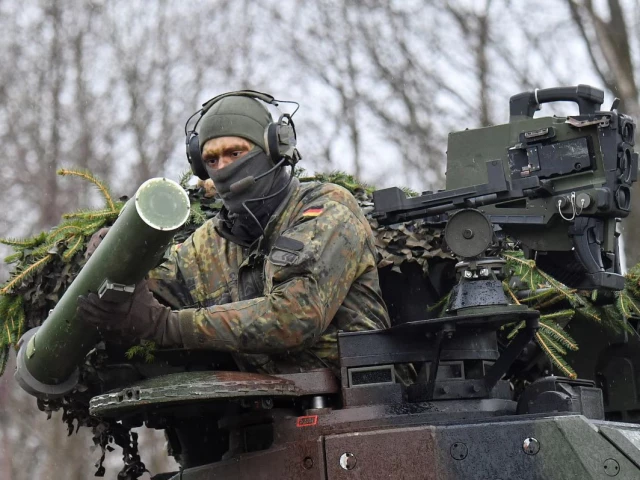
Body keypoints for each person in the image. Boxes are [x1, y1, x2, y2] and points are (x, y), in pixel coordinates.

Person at [77, 91, 390, 376]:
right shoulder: (209, 243)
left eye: (235, 153)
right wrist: (116, 255)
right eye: (212, 160)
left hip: (363, 399)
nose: (223, 168)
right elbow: (157, 283)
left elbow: (295, 316)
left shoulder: (327, 209)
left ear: (273, 149)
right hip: (272, 404)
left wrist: (167, 326)